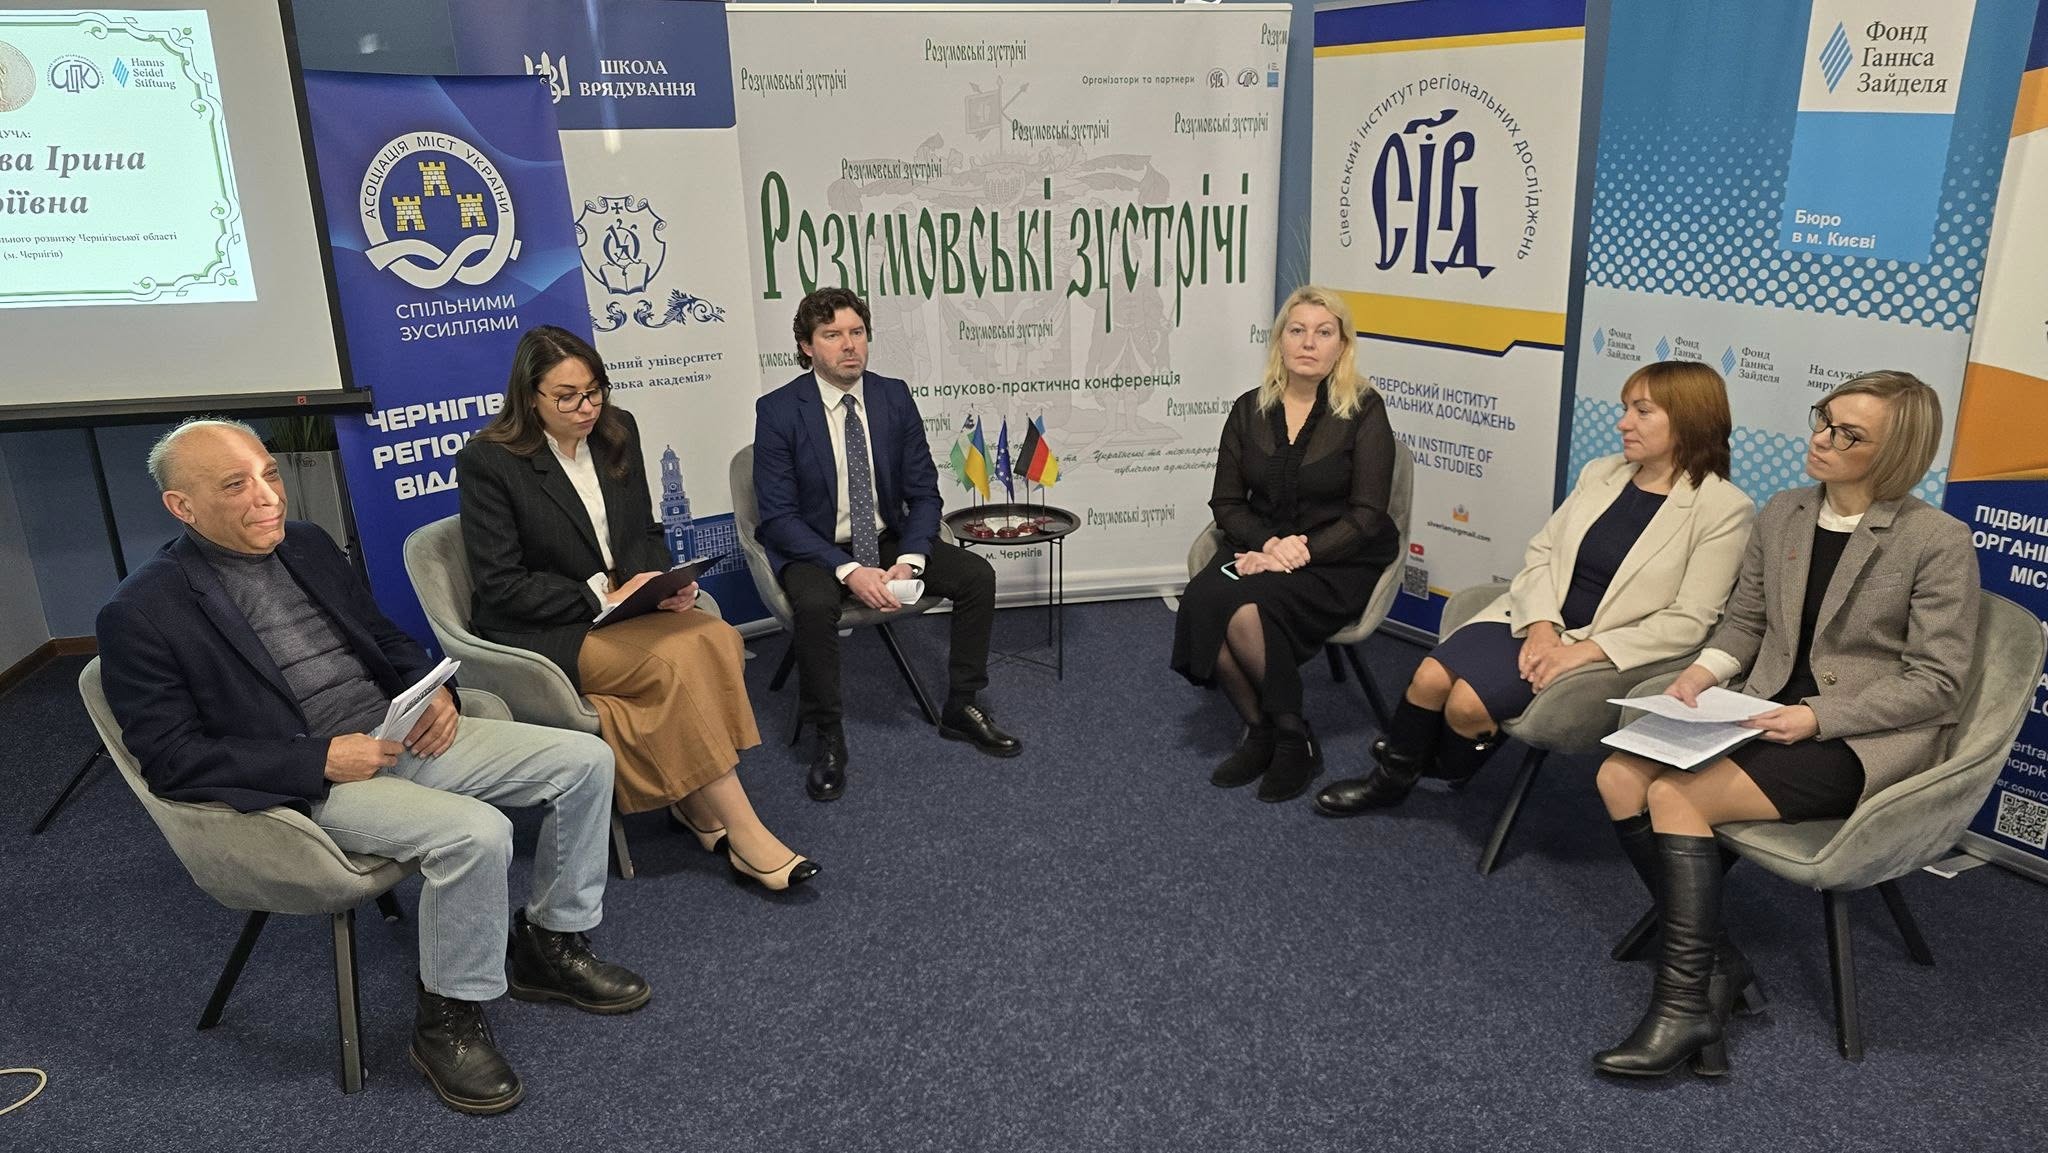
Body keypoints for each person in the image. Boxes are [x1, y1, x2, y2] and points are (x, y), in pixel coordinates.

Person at [97, 418, 647, 1116]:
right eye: (237, 485)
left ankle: (551, 943)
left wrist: (433, 693)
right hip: (311, 784)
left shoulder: (306, 543)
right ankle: (446, 1019)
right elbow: (171, 758)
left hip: (397, 735)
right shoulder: (141, 611)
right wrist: (320, 758)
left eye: (270, 473)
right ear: (183, 507)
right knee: (477, 834)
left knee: (585, 759)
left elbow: (384, 635)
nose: (269, 497)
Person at [1589, 371, 1977, 1078]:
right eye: (1823, 419)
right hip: (1761, 707)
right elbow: (1746, 622)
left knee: (1676, 796)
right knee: (1618, 776)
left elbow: (1936, 682)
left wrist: (1817, 716)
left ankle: (1683, 1004)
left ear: (1895, 452)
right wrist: (1703, 674)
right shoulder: (1786, 511)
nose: (1821, 438)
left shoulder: (1936, 540)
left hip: (1857, 737)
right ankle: (1719, 964)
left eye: (1847, 434)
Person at [457, 326, 816, 891]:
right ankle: (747, 835)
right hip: (545, 629)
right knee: (675, 666)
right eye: (567, 397)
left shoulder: (616, 431)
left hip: (623, 611)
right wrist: (600, 596)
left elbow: (644, 533)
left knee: (717, 637)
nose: (586, 408)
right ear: (530, 397)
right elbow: (501, 585)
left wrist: (661, 583)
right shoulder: (489, 460)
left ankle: (694, 800)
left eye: (594, 391)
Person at [1315, 360, 1755, 814]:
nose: (1623, 423)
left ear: (1689, 420)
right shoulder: (1602, 473)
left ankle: (1431, 763)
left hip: (1605, 646)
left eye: (1642, 411)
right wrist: (1542, 627)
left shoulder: (1723, 508)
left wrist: (1582, 651)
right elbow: (1544, 553)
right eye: (1625, 409)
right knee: (1428, 676)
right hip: (1535, 618)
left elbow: (1690, 620)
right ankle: (1392, 778)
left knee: (1467, 705)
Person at [754, 287, 1022, 802]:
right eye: (832, 335)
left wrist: (911, 559)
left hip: (887, 537)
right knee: (815, 605)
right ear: (807, 346)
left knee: (976, 577)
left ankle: (962, 704)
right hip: (816, 547)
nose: (849, 345)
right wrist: (849, 570)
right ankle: (827, 734)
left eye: (857, 332)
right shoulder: (779, 410)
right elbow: (779, 519)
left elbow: (923, 493)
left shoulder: (892, 396)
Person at [1169, 286, 1399, 802]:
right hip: (1260, 547)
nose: (1309, 343)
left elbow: (1367, 514)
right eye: (1297, 330)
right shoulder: (1248, 409)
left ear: (1342, 345)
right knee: (1204, 597)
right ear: (1280, 341)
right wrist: (1271, 546)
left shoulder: (1364, 410)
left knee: (1248, 611)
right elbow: (1227, 503)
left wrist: (1301, 553)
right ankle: (1261, 728)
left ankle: (1294, 738)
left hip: (1340, 557)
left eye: (1323, 332)